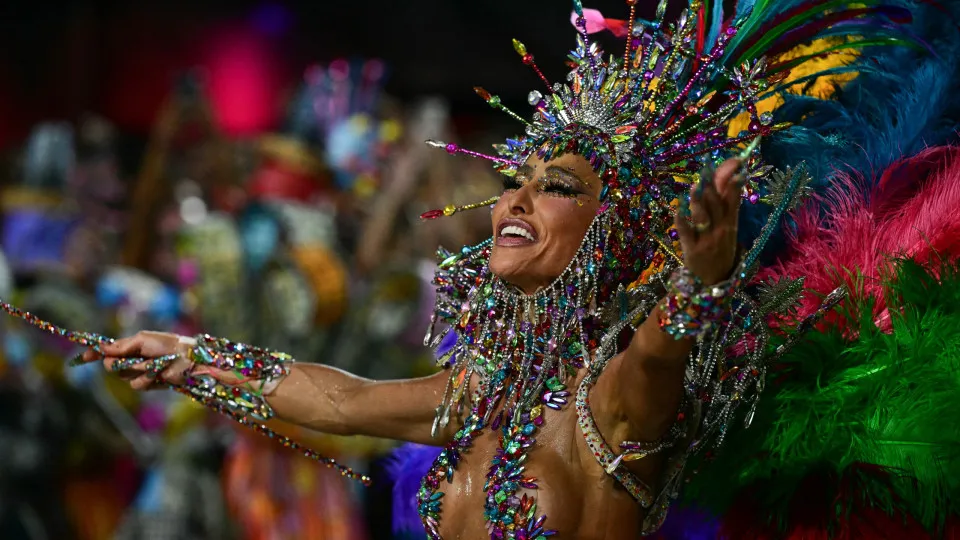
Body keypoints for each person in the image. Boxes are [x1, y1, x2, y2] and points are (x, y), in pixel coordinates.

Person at [69, 1, 960, 539]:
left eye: (557, 187)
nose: (514, 203)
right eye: (514, 182)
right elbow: (337, 400)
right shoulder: (486, 392)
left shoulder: (614, 405)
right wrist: (188, 357)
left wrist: (699, 278)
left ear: (615, 232)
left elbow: (664, 351)